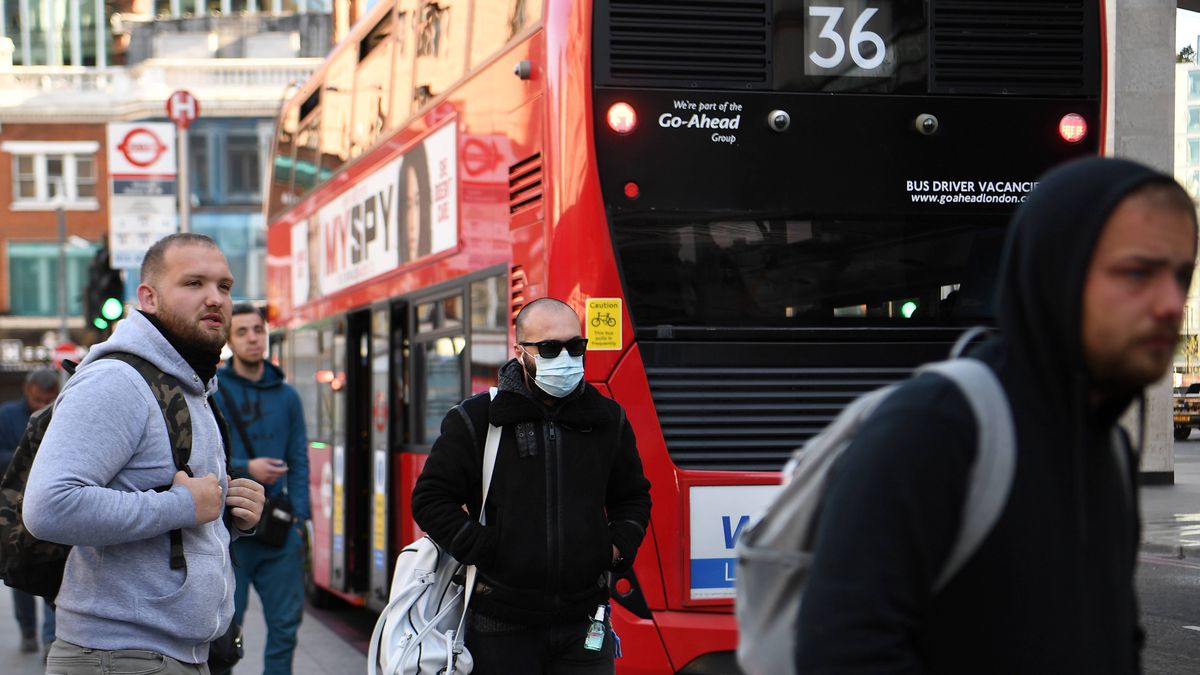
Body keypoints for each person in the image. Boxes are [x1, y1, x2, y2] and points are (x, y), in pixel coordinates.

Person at [794, 157, 1197, 673]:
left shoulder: (1109, 447)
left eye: (1181, 275)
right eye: (1137, 272)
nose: (1171, 304)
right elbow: (841, 653)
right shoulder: (933, 428)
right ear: (1056, 274)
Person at [23, 232, 266, 674]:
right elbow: (48, 507)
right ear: (149, 298)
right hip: (119, 656)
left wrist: (229, 513)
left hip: (169, 655)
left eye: (225, 286)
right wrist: (182, 505)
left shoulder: (192, 387)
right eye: (193, 283)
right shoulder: (117, 381)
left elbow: (180, 514)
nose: (215, 298)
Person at [412, 297, 652, 674]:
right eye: (550, 348)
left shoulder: (607, 418)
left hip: (585, 624)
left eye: (575, 346)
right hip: (499, 625)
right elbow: (430, 499)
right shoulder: (478, 419)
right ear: (520, 351)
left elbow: (633, 496)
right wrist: (485, 548)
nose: (566, 358)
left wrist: (615, 548)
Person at [213, 303, 310, 675]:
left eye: (258, 330)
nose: (253, 338)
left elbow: (299, 458)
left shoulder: (288, 397)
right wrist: (246, 468)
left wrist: (299, 519)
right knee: (223, 633)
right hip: (230, 531)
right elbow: (203, 458)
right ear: (229, 340)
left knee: (285, 628)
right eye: (242, 332)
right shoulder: (215, 391)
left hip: (278, 530)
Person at [0, 368, 59, 655]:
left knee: (52, 572)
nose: (41, 405)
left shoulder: (62, 411)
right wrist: (25, 454)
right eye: (37, 399)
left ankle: (50, 637)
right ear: (26, 390)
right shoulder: (7, 415)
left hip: (50, 506)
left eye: (47, 400)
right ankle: (27, 631)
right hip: (13, 509)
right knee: (19, 574)